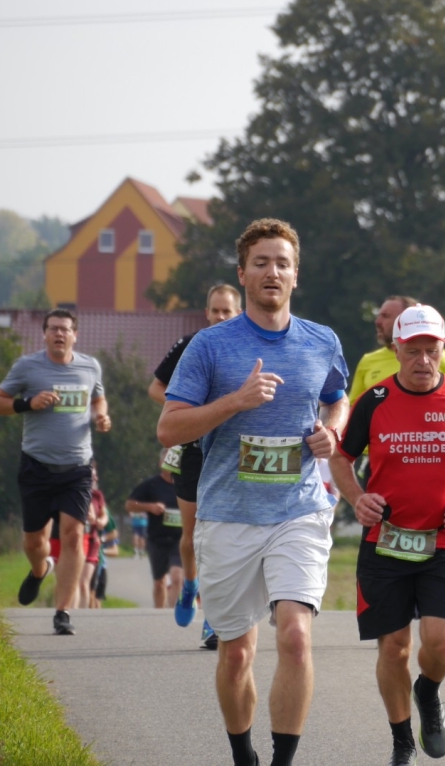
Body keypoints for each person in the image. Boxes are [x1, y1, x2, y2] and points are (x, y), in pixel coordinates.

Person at [157, 217, 349, 766]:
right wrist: (235, 402)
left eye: (282, 263)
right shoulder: (210, 347)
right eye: (261, 262)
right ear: (243, 274)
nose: (272, 272)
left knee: (294, 637)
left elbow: (338, 396)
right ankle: (243, 755)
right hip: (228, 515)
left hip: (300, 510)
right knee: (237, 652)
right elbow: (170, 428)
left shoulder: (321, 341)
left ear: (296, 275)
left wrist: (331, 428)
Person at [330, 304, 445, 766]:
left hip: (443, 544)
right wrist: (356, 498)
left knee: (442, 641)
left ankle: (427, 691)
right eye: (413, 352)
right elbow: (340, 458)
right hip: (385, 543)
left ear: (442, 350)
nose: (424, 361)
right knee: (394, 647)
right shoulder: (374, 401)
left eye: (432, 351)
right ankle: (402, 743)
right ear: (396, 349)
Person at [0, 308, 111, 636]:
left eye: (65, 329)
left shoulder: (89, 366)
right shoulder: (28, 367)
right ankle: (40, 569)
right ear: (44, 334)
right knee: (34, 541)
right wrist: (28, 403)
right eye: (53, 329)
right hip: (37, 466)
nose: (59, 334)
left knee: (73, 534)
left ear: (75, 335)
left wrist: (101, 416)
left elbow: (98, 400)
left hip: (78, 468)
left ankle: (63, 612)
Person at [149, 283, 242, 636]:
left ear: (238, 313)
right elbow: (156, 387)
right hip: (192, 450)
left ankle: (212, 618)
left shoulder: (246, 346)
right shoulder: (191, 345)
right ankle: (189, 586)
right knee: (192, 536)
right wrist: (191, 413)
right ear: (207, 313)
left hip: (231, 452)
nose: (220, 317)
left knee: (220, 537)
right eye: (215, 311)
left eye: (227, 311)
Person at [125, 451, 185, 610]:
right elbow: (130, 504)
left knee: (177, 577)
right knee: (159, 582)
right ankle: (159, 615)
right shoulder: (151, 484)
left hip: (179, 539)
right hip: (157, 540)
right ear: (160, 463)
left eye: (173, 459)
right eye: (166, 459)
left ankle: (173, 612)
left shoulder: (184, 484)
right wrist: (150, 507)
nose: (169, 463)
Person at [78, 465, 109, 609]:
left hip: (92, 542)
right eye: (93, 475)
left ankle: (81, 616)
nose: (96, 478)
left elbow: (104, 515)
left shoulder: (97, 495)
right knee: (74, 581)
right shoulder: (74, 493)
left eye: (96, 475)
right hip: (75, 540)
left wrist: (99, 521)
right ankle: (68, 612)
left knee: (84, 582)